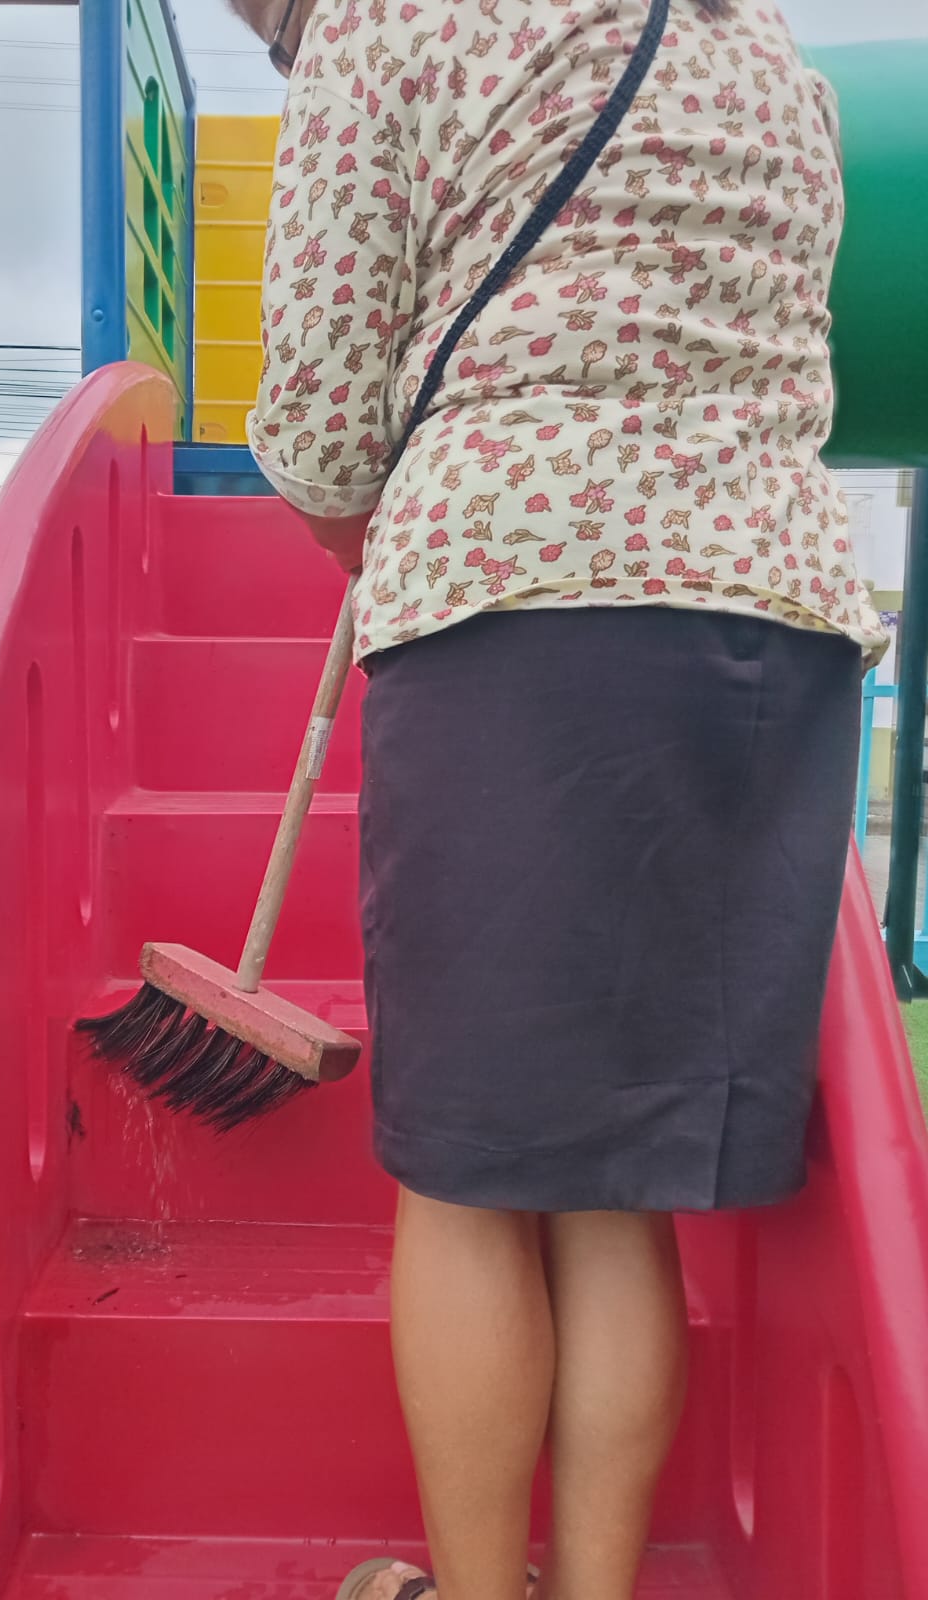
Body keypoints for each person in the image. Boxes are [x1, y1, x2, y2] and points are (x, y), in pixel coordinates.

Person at [237, 2, 887, 1597]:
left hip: (521, 614)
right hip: (767, 634)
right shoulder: (763, 46)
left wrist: (379, 533)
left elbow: (320, 420)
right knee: (617, 1190)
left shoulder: (381, 23)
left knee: (466, 1178)